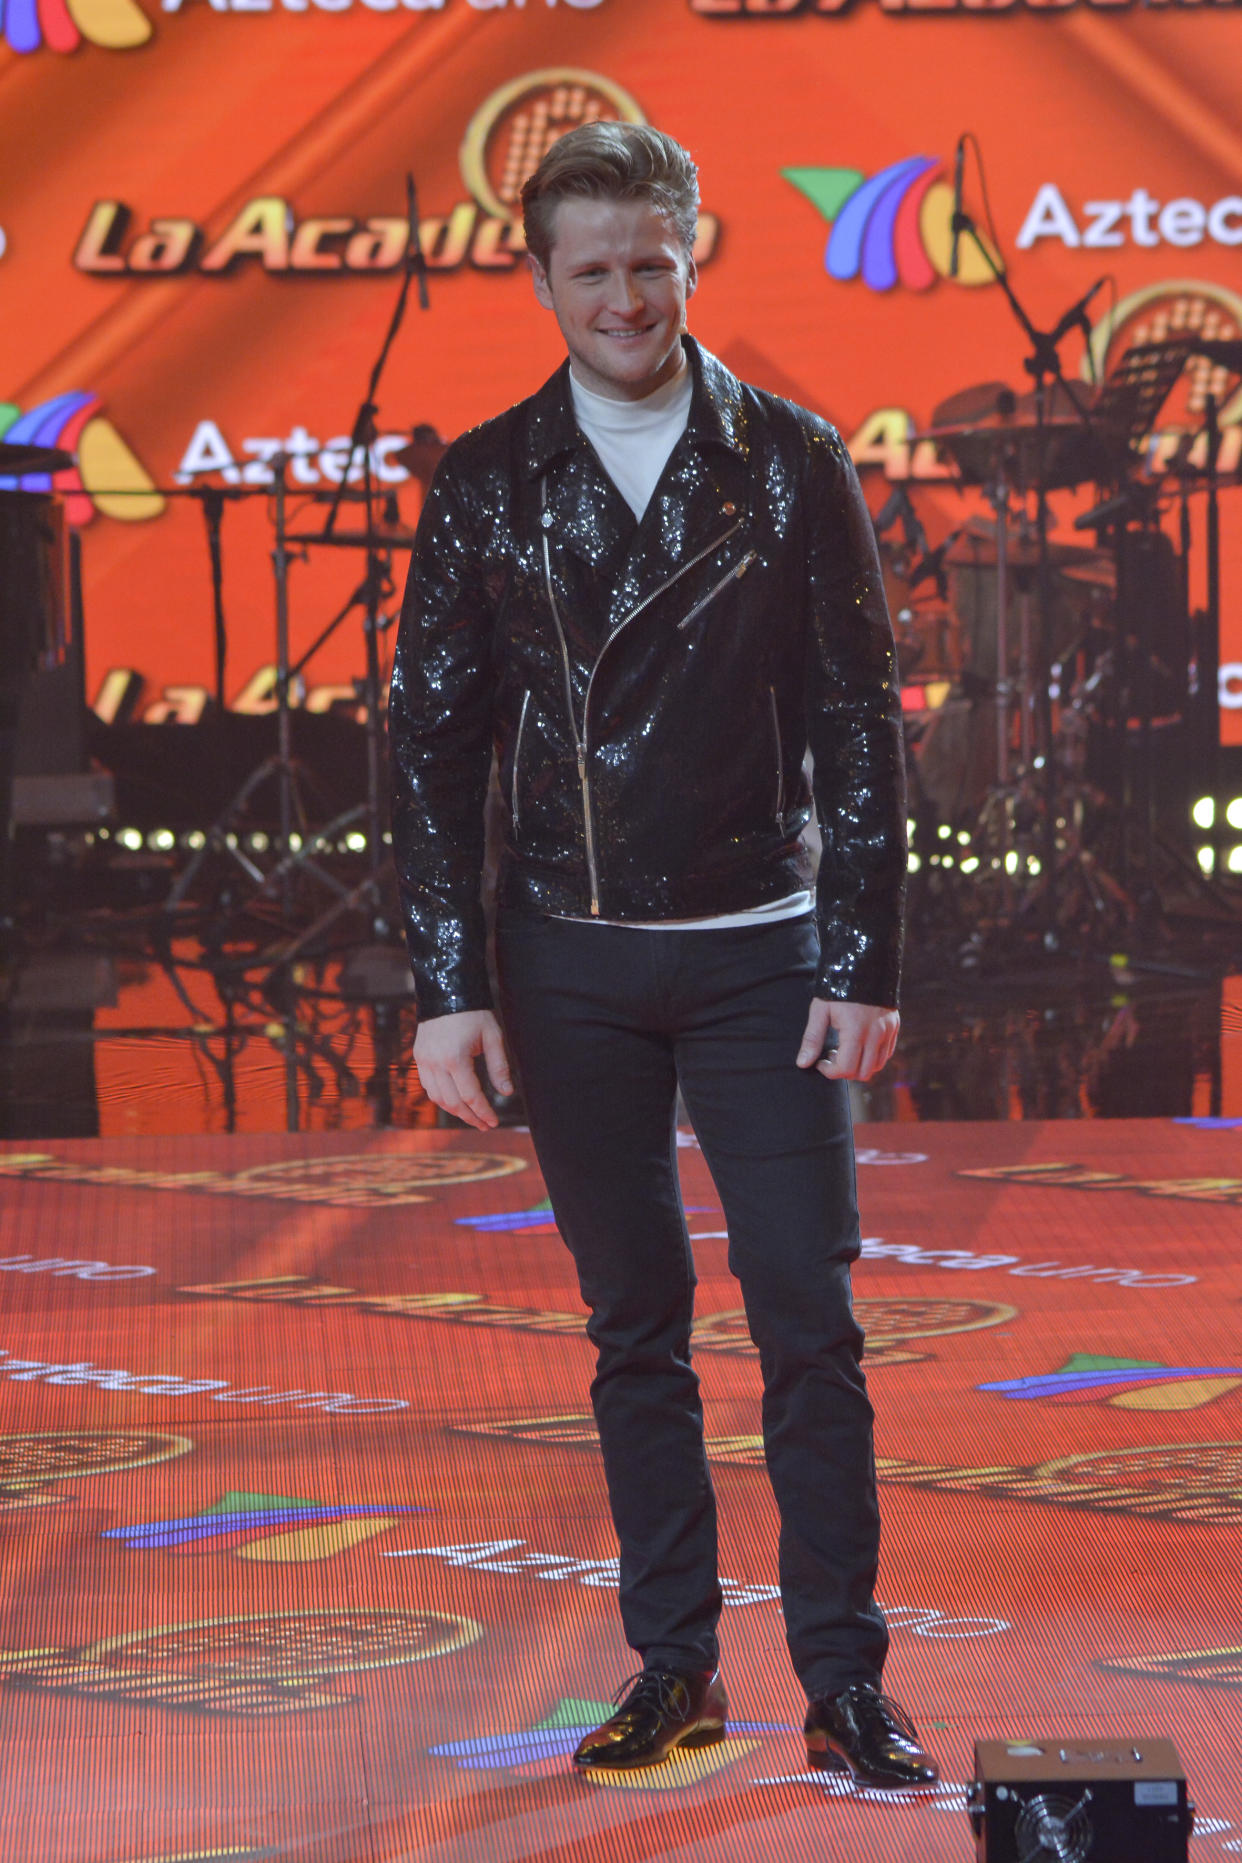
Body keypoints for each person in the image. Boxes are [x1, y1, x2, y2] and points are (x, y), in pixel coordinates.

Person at [389, 120, 938, 1792]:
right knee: (633, 1322)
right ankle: (672, 1667)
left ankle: (844, 1680)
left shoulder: (792, 460)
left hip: (765, 950)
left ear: (691, 257)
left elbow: (856, 722)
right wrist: (445, 985)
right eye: (593, 268)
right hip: (567, 963)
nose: (626, 295)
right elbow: (428, 748)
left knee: (804, 1314)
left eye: (652, 261)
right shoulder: (484, 482)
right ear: (540, 278)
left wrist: (861, 952)